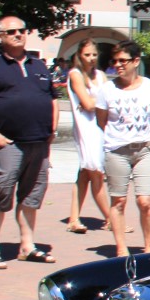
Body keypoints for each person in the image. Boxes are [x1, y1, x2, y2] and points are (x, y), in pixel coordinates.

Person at [0, 15, 57, 268]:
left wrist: (52, 130)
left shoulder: (39, 65)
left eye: (22, 30)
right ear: (0, 36)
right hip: (8, 144)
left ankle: (27, 246)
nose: (18, 34)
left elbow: (52, 98)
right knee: (0, 194)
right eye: (11, 32)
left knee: (31, 197)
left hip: (39, 144)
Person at [96, 41, 150, 257]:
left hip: (145, 149)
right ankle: (121, 248)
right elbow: (102, 121)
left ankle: (149, 247)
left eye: (123, 60)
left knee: (145, 201)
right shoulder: (107, 90)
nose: (118, 65)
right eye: (114, 61)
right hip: (117, 150)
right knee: (119, 200)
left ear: (136, 61)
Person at [64, 40, 112, 233]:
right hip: (86, 128)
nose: (91, 59)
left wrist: (94, 102)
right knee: (95, 172)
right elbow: (88, 104)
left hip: (101, 127)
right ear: (79, 56)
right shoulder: (75, 75)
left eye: (93, 55)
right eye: (86, 55)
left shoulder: (100, 75)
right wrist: (94, 102)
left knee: (85, 173)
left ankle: (74, 218)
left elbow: (109, 100)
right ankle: (111, 218)